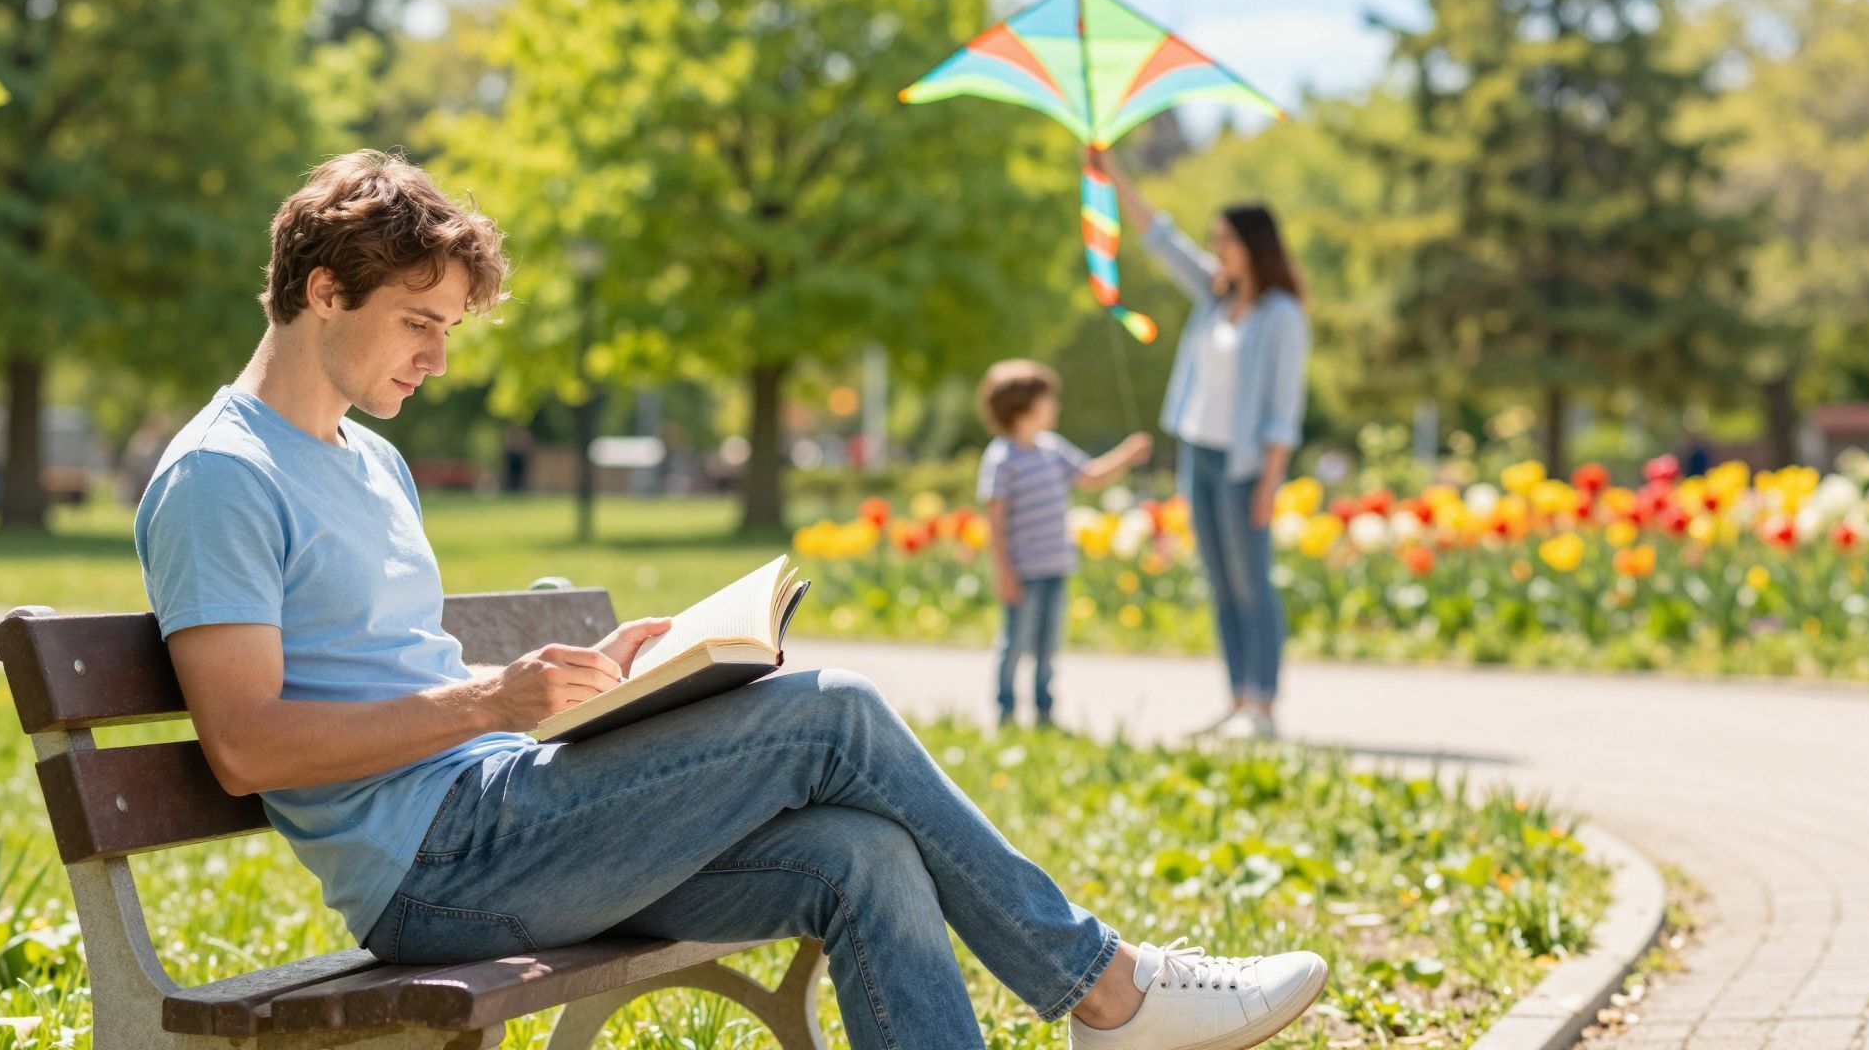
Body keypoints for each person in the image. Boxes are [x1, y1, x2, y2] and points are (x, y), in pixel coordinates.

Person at [134, 149, 1326, 1050]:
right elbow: (245, 746)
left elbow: (388, 672)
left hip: (496, 812)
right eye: (419, 324)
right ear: (324, 290)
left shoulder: (367, 458)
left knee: (859, 855)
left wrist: (589, 681)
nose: (437, 359)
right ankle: (1107, 991)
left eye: (446, 329)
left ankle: (1103, 995)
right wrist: (489, 701)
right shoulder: (223, 476)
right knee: (832, 711)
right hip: (439, 870)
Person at [1101, 151, 1312, 742]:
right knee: (1220, 586)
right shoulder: (1215, 297)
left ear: (1253, 245)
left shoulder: (1282, 315)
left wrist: (1270, 481)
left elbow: (1283, 409)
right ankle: (1237, 700)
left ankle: (1263, 705)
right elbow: (1161, 240)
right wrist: (1112, 171)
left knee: (1252, 584)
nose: (1216, 249)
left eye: (1225, 240)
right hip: (1200, 456)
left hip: (1246, 467)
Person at [976, 359, 1150, 730]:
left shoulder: (1052, 449)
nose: (1055, 405)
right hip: (1023, 573)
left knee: (1048, 647)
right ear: (1023, 407)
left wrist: (1127, 454)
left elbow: (1089, 476)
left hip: (1055, 567)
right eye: (1048, 399)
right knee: (1015, 643)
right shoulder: (1002, 458)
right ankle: (1006, 710)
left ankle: (1044, 710)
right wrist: (1004, 573)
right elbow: (996, 523)